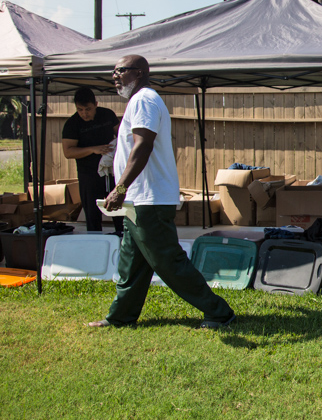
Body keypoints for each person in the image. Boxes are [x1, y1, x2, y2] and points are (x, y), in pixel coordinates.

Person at [88, 55, 234, 329]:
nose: (114, 76)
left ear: (139, 72)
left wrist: (121, 187)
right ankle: (120, 317)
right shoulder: (140, 100)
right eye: (114, 71)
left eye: (120, 70)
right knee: (132, 263)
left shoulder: (144, 99)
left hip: (148, 199)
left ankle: (219, 312)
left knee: (168, 261)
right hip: (138, 200)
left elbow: (143, 145)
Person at [61, 87, 124, 234]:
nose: (84, 113)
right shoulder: (72, 124)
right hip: (88, 175)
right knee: (92, 212)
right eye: (80, 109)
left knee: (119, 208)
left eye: (88, 109)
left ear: (96, 104)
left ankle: (123, 238)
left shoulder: (107, 114)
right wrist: (92, 149)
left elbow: (122, 136)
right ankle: (95, 241)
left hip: (113, 172)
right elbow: (68, 152)